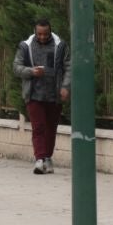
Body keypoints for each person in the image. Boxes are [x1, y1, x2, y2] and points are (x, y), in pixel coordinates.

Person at [13, 15, 70, 174]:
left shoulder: (60, 46)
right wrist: (31, 71)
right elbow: (16, 67)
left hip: (54, 95)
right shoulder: (25, 46)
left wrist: (65, 87)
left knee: (51, 128)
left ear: (50, 32)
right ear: (35, 32)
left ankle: (48, 158)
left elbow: (69, 67)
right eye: (39, 34)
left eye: (45, 34)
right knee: (38, 127)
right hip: (34, 94)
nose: (43, 37)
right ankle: (39, 159)